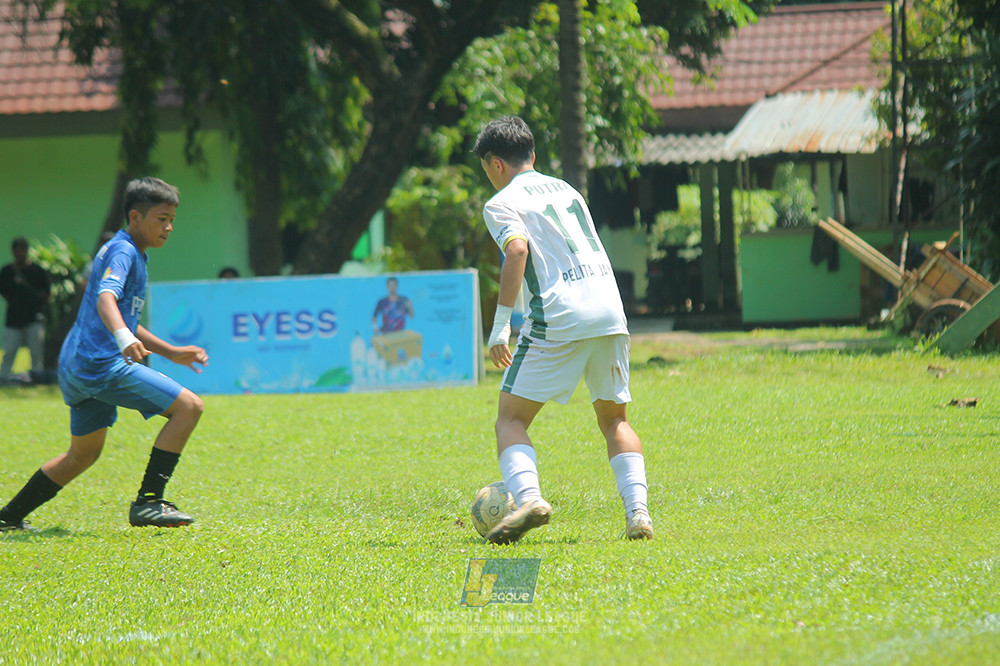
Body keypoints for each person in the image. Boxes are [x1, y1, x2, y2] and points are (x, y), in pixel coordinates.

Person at [472, 116, 653, 544]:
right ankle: (639, 515)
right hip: (610, 310)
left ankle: (530, 498)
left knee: (510, 419)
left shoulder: (502, 202)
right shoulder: (567, 190)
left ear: (495, 164)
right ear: (532, 155)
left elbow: (517, 250)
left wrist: (500, 329)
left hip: (560, 316)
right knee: (614, 419)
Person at [0, 177, 209, 532]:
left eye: (172, 218)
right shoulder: (124, 251)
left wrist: (170, 351)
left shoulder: (128, 250)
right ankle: (149, 502)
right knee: (189, 407)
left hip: (78, 364)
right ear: (135, 217)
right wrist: (123, 337)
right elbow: (105, 300)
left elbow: (122, 316)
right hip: (99, 364)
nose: (169, 227)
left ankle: (7, 517)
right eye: (161, 218)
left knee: (81, 455)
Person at [0, 237, 51, 383]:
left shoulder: (38, 271)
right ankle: (4, 379)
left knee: (36, 353)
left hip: (34, 319)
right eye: (17, 249)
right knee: (8, 353)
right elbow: (4, 292)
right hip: (13, 320)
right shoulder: (7, 271)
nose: (20, 253)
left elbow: (47, 293)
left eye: (22, 249)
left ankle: (37, 378)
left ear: (27, 250)